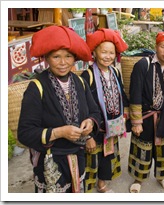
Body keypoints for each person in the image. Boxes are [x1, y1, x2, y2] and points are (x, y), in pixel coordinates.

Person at [18, 26, 101, 193]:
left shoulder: (80, 82)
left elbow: (95, 112)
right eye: (56, 57)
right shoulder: (37, 87)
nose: (63, 63)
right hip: (50, 163)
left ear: (75, 58)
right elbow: (25, 133)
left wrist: (90, 123)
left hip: (78, 157)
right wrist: (59, 132)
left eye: (68, 56)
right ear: (46, 58)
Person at [128, 31, 164, 193]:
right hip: (144, 115)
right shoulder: (143, 65)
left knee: (162, 147)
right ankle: (138, 178)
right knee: (142, 148)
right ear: (156, 47)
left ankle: (162, 176)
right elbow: (135, 93)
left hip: (163, 115)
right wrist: (136, 122)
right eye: (162, 47)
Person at [82, 28, 130, 193]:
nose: (108, 56)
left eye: (111, 52)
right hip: (95, 127)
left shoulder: (115, 72)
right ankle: (87, 189)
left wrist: (124, 115)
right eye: (104, 52)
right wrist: (87, 136)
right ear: (94, 52)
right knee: (91, 159)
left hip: (112, 125)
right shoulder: (87, 76)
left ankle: (102, 183)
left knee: (107, 156)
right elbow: (82, 107)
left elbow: (121, 94)